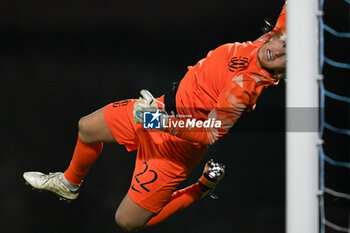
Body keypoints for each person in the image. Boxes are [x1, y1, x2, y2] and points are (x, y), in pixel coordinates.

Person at [23, 2, 286, 232]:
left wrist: (157, 121)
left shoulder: (245, 86)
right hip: (159, 107)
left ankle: (203, 187)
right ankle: (69, 184)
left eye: (286, 59)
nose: (280, 53)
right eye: (285, 45)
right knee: (88, 128)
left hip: (175, 146)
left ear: (283, 72)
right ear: (279, 35)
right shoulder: (266, 43)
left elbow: (211, 132)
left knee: (127, 221)